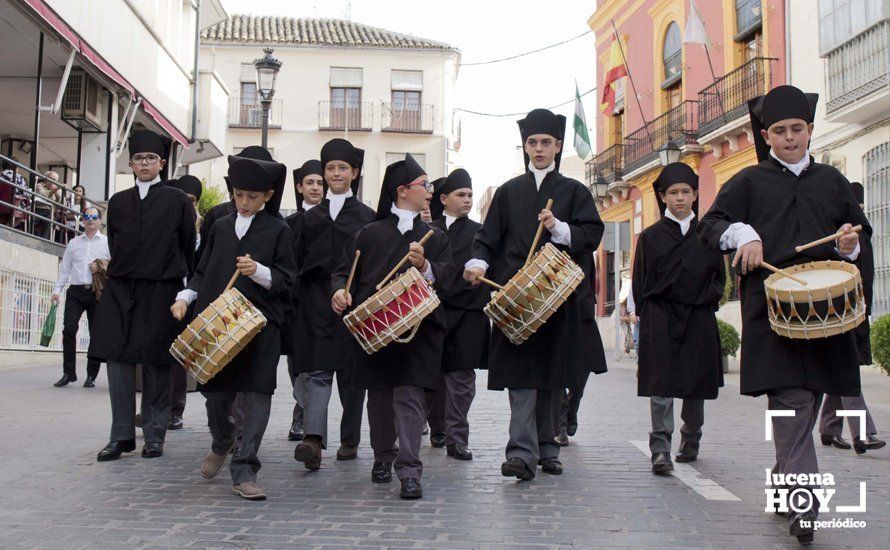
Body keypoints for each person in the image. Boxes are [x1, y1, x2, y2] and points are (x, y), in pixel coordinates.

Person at [697, 85, 870, 545]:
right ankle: (804, 505)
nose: (790, 137)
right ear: (767, 136)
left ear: (810, 131)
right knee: (792, 402)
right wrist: (743, 234)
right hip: (772, 315)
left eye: (797, 129)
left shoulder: (832, 182)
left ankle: (783, 478)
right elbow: (709, 226)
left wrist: (847, 246)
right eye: (780, 131)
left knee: (808, 403)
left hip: (825, 320)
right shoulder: (748, 182)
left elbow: (856, 237)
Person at [463, 108, 605, 481]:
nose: (538, 149)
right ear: (525, 146)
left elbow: (591, 235)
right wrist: (478, 263)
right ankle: (521, 454)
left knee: (553, 376)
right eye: (532, 143)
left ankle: (548, 446)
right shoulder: (508, 192)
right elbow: (487, 238)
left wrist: (558, 227)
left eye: (545, 142)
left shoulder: (575, 191)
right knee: (522, 377)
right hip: (516, 299)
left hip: (559, 299)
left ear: (557, 147)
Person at [172, 154, 295, 501]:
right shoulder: (220, 226)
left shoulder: (278, 230)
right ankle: (222, 439)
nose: (243, 203)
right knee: (215, 392)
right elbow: (201, 269)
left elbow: (288, 280)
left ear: (268, 196)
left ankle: (245, 469)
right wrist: (185, 297)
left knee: (255, 396)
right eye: (238, 195)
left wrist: (258, 270)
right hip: (218, 325)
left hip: (259, 328)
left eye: (252, 197)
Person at [332, 153, 454, 499]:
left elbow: (448, 276)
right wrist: (339, 292)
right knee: (381, 399)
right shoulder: (368, 234)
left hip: (419, 332)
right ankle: (383, 457)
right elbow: (343, 272)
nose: (430, 191)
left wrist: (426, 265)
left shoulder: (434, 236)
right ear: (402, 191)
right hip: (376, 331)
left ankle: (410, 470)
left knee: (411, 398)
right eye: (425, 185)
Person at [89, 130, 196, 462]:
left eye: (150, 158)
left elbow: (187, 248)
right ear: (131, 163)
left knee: (155, 363)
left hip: (161, 288)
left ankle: (154, 434)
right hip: (121, 287)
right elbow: (115, 245)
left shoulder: (177, 201)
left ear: (161, 163)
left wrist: (184, 290)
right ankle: (121, 435)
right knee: (117, 357)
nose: (144, 164)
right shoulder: (118, 203)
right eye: (138, 159)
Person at [632, 162, 725, 474]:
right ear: (663, 196)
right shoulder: (649, 237)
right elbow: (639, 283)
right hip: (660, 316)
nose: (680, 198)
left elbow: (718, 280)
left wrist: (702, 301)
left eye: (686, 192)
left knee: (696, 383)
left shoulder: (708, 235)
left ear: (696, 194)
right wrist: (648, 319)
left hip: (698, 316)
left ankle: (691, 438)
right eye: (673, 193)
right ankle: (660, 448)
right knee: (661, 383)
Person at [292, 139, 375, 469]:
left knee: (353, 376)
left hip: (355, 306)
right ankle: (313, 439)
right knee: (318, 372)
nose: (336, 173)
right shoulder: (307, 219)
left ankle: (350, 439)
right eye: (330, 168)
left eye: (343, 168)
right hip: (315, 306)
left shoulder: (369, 218)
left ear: (354, 172)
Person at [819, 181, 885, 454]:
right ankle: (864, 434)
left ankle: (829, 428)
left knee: (843, 372)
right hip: (838, 314)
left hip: (859, 313)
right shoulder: (834, 237)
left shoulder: (864, 236)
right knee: (847, 372)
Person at [426, 169, 488, 461]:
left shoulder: (480, 233)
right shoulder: (429, 230)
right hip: (431, 314)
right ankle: (437, 428)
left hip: (467, 314)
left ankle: (457, 438)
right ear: (443, 198)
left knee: (462, 380)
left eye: (470, 195)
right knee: (433, 376)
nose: (467, 200)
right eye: (460, 195)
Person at [284, 160, 325, 441]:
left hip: (323, 302)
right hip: (294, 303)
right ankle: (301, 409)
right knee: (296, 363)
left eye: (320, 183)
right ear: (299, 187)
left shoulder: (331, 220)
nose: (315, 188)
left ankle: (309, 421)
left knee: (317, 366)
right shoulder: (288, 225)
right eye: (310, 183)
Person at [51, 206, 109, 388]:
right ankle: (68, 373)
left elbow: (116, 265)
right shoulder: (74, 243)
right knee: (68, 329)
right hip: (75, 291)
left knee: (96, 333)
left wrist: (100, 267)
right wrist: (56, 290)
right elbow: (65, 268)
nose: (90, 220)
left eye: (94, 217)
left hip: (96, 293)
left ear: (100, 220)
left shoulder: (107, 242)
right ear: (82, 220)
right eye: (87, 217)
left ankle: (91, 375)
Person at [165, 174, 203, 431]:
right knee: (167, 355)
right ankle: (166, 409)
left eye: (191, 201)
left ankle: (176, 410)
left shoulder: (207, 229)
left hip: (197, 298)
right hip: (169, 296)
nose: (187, 206)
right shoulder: (167, 227)